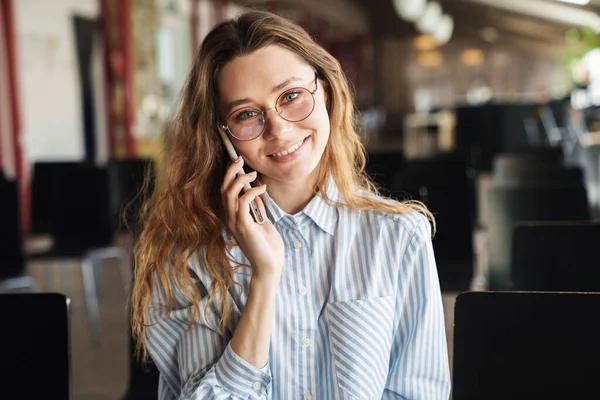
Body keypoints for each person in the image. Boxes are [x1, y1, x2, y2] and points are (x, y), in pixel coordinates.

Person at [131, 10, 451, 400]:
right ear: (223, 136)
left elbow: (418, 393)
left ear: (326, 92)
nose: (279, 128)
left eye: (292, 96)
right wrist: (265, 277)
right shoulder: (189, 257)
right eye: (247, 114)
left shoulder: (400, 236)